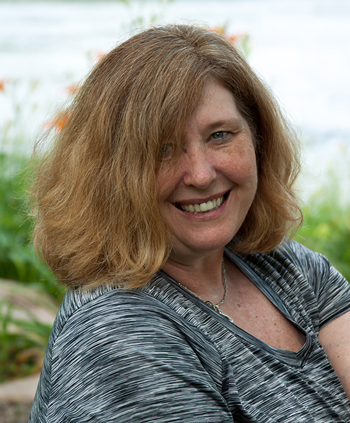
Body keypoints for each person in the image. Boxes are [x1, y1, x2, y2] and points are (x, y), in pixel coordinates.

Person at [29, 24, 350, 422]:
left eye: (219, 135)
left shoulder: (286, 268)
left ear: (257, 139)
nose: (200, 175)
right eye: (163, 148)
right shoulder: (120, 334)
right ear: (109, 173)